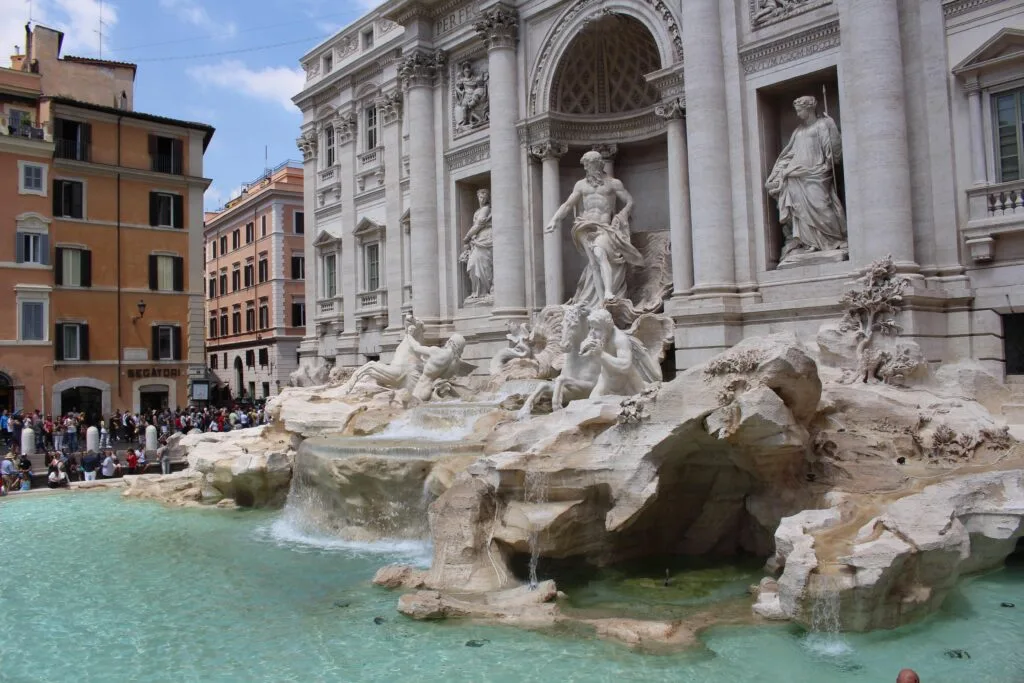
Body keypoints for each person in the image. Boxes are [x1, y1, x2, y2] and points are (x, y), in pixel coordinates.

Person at [544, 150, 644, 309]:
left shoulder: (613, 183)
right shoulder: (581, 185)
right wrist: (554, 219)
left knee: (600, 252)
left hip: (604, 226)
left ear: (598, 164)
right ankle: (600, 302)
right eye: (585, 166)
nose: (586, 169)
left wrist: (623, 214)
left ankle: (608, 292)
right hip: (584, 226)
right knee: (593, 264)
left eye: (588, 165)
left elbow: (629, 201)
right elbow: (568, 204)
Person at [765, 95, 847, 264]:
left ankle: (833, 240)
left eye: (800, 110)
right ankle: (810, 243)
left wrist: (832, 128)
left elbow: (832, 152)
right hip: (796, 176)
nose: (798, 114)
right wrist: (778, 174)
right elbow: (788, 154)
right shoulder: (798, 131)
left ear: (809, 108)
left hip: (817, 173)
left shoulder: (822, 125)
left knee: (822, 206)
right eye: (796, 111)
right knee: (799, 211)